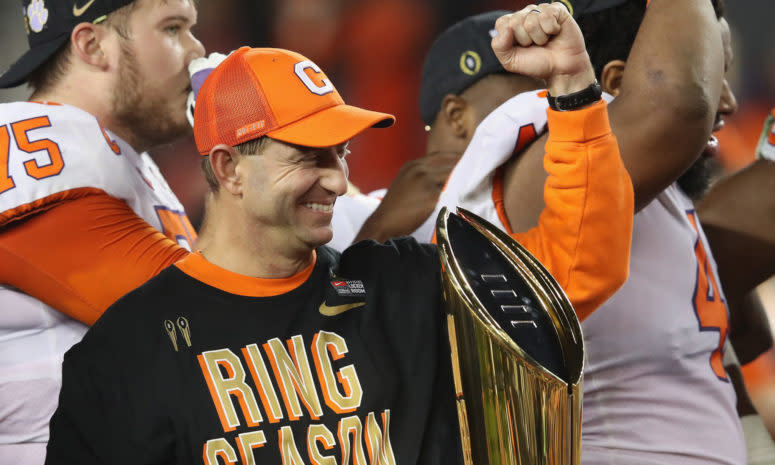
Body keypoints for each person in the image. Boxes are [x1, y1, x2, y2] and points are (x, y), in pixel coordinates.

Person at [45, 5, 634, 463]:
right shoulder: (127, 351)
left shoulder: (404, 284)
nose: (337, 177)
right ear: (228, 168)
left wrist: (575, 88)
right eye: (307, 155)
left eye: (341, 151)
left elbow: (576, 273)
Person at [436, 0, 765, 463]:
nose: (726, 100)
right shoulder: (543, 150)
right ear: (612, 85)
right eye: (715, 70)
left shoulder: (658, 189)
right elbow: (678, 104)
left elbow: (746, 331)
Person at [0, 0, 204, 462]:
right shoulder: (37, 141)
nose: (197, 49)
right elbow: (202, 323)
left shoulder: (126, 157)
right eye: (173, 29)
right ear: (92, 45)